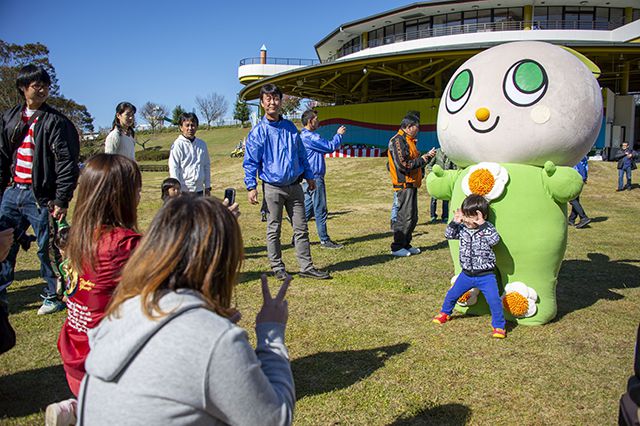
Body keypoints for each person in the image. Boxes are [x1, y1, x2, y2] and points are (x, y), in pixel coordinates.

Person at [76, 196, 295, 425]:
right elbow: (274, 420)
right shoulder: (215, 341)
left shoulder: (121, 312)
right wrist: (271, 335)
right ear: (222, 261)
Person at [45, 154, 142, 426]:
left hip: (74, 356)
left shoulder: (78, 236)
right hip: (103, 369)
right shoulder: (125, 246)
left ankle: (79, 408)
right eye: (136, 189)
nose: (139, 196)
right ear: (120, 197)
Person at [0, 64, 80, 315]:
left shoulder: (56, 121)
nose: (43, 89)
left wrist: (61, 198)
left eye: (46, 84)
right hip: (12, 192)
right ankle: (1, 293)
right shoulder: (9, 117)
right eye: (37, 85)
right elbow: (2, 156)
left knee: (48, 247)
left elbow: (67, 163)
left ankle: (53, 295)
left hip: (42, 196)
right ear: (23, 88)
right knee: (4, 244)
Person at [243, 84, 330, 280]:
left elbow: (301, 154)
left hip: (295, 185)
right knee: (274, 228)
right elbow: (250, 161)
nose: (272, 102)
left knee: (301, 228)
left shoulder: (290, 128)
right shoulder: (258, 131)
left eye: (276, 98)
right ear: (262, 103)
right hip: (273, 187)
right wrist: (251, 186)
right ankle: (277, 267)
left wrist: (309, 176)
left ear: (281, 101)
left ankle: (306, 267)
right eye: (268, 99)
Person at [432, 194, 506, 339]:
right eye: (466, 215)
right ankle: (445, 313)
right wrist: (455, 222)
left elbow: (494, 240)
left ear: (481, 216)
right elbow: (448, 234)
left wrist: (483, 224)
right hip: (466, 274)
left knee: (494, 300)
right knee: (452, 294)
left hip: (486, 275)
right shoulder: (462, 229)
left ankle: (499, 326)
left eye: (471, 216)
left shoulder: (487, 229)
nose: (468, 220)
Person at [387, 112, 435, 256]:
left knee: (413, 217)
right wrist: (424, 159)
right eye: (416, 127)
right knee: (404, 216)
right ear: (408, 127)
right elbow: (403, 164)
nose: (418, 130)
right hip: (404, 184)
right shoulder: (398, 140)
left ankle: (406, 244)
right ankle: (397, 247)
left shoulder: (409, 141)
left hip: (412, 183)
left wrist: (422, 159)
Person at [300, 109, 346, 249]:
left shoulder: (302, 136)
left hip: (306, 177)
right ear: (310, 121)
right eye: (316, 119)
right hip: (315, 177)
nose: (318, 121)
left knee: (307, 210)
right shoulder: (312, 137)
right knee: (320, 208)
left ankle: (297, 237)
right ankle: (324, 240)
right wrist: (338, 135)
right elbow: (330, 147)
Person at [168, 112, 211, 196]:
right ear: (181, 127)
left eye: (193, 125)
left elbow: (206, 166)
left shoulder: (202, 144)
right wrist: (176, 189)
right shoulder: (178, 145)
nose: (190, 128)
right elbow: (174, 167)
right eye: (187, 125)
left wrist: (207, 186)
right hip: (184, 191)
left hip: (199, 191)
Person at [426, 148, 456, 223]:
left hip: (446, 180)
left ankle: (445, 217)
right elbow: (429, 165)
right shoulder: (437, 152)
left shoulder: (450, 153)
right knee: (434, 199)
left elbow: (454, 167)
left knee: (445, 200)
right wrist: (434, 173)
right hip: (436, 180)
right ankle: (433, 216)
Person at [568, 155, 591, 228]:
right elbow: (585, 166)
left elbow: (579, 167)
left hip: (575, 178)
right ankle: (571, 219)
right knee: (575, 199)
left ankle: (583, 217)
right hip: (580, 178)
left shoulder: (576, 156)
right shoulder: (583, 155)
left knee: (572, 199)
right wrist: (584, 177)